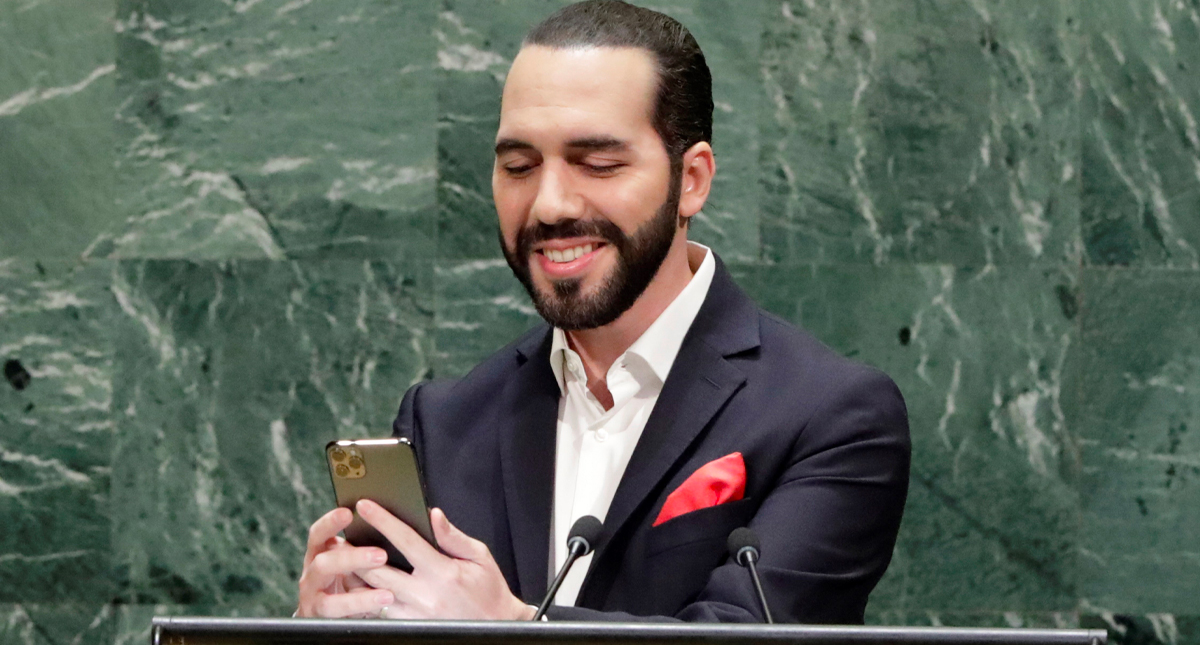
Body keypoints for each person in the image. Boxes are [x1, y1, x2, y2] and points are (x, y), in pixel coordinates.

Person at [296, 0, 909, 624]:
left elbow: (747, 642)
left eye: (599, 164)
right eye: (518, 166)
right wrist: (323, 636)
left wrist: (511, 628)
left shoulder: (833, 415)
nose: (551, 203)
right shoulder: (443, 422)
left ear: (691, 180)